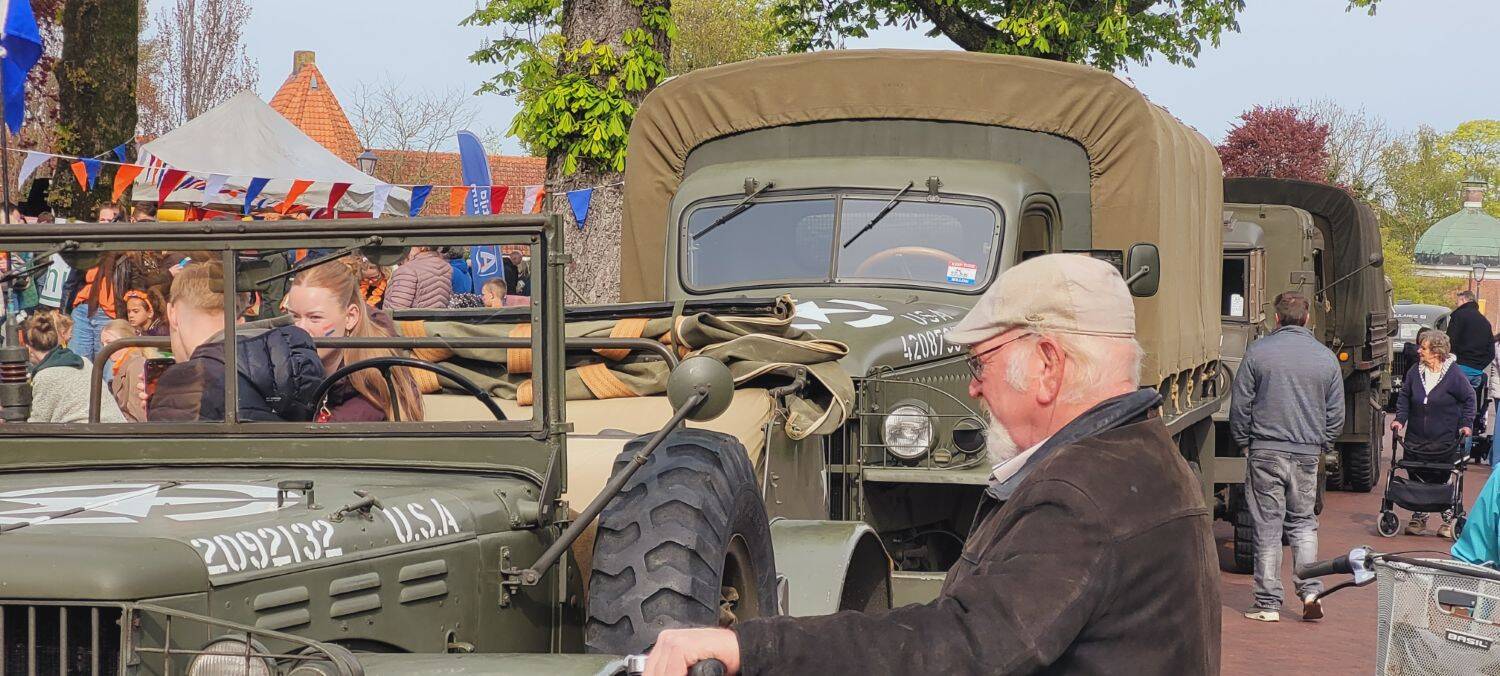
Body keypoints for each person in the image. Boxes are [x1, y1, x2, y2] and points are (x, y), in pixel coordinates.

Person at [645, 254, 1221, 675]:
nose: (973, 390)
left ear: (1048, 364)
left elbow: (963, 647)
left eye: (980, 364)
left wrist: (753, 647)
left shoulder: (1081, 495)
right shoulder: (1146, 460)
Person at [1229, 291, 1343, 623]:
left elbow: (1241, 405)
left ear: (1276, 319)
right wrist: (1323, 443)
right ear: (1307, 319)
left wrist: (1244, 442)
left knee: (1268, 526)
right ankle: (1310, 591)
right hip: (1307, 452)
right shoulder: (1325, 358)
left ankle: (1267, 603)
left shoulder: (1258, 353)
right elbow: (1336, 412)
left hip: (1265, 450)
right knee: (1304, 524)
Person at [147, 262, 325, 422]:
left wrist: (155, 408)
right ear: (240, 317)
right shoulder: (288, 357)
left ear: (172, 313)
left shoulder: (182, 382)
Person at [284, 260, 424, 422]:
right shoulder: (289, 366)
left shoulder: (371, 392)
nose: (300, 328)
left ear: (350, 317)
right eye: (295, 316)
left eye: (315, 317)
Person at [1392, 330, 1474, 538]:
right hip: (1416, 438)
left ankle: (1448, 519)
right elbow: (1404, 398)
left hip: (1443, 439)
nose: (1419, 351)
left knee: (1442, 477)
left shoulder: (1453, 374)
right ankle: (1419, 517)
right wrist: (1400, 419)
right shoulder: (1414, 372)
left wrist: (1466, 424)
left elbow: (1469, 399)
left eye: (1424, 348)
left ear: (1437, 352)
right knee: (1416, 474)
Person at [23, 310, 126, 423]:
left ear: (28, 348)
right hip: (115, 429)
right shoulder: (85, 362)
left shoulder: (45, 376)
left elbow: (38, 424)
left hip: (85, 435)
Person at [1447, 291, 1494, 451]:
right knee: (1469, 412)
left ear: (1464, 300)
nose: (1456, 304)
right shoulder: (1485, 322)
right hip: (1476, 372)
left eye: (1458, 301)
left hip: (1459, 368)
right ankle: (1464, 453)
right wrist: (1479, 366)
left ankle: (1449, 450)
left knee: (1451, 410)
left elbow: (1449, 342)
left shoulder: (1458, 317)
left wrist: (1454, 362)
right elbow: (1491, 352)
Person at [101, 318, 149, 421]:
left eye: (109, 343)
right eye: (103, 344)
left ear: (125, 340)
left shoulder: (136, 365)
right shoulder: (122, 365)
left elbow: (138, 414)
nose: (105, 349)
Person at [384, 246, 453, 310]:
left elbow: (397, 309)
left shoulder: (408, 270)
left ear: (422, 247)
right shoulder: (445, 267)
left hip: (413, 322)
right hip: (436, 321)